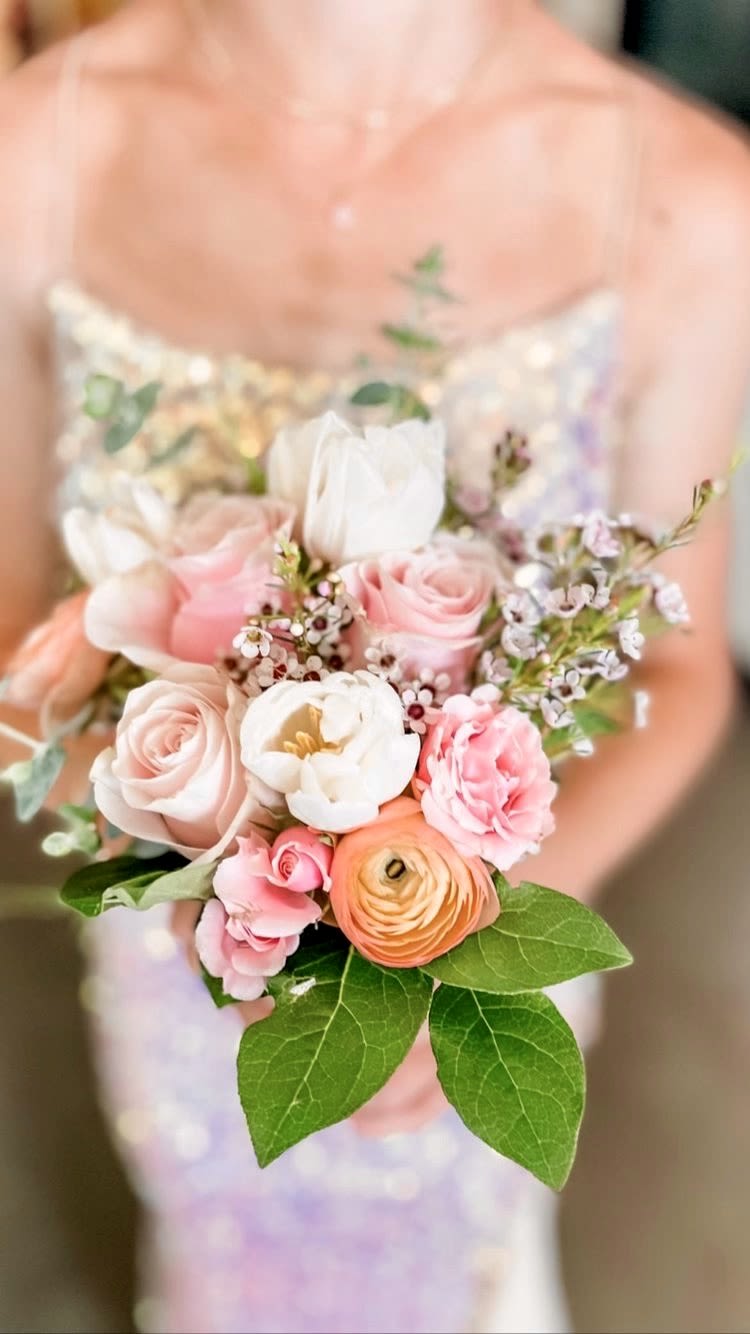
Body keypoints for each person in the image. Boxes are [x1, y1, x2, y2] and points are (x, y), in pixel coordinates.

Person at [0, 2, 749, 1329]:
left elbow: (677, 673)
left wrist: (452, 943)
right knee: (221, 1241)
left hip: (491, 934)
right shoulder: (34, 151)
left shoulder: (685, 197)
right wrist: (213, 875)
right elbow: (17, 632)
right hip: (183, 959)